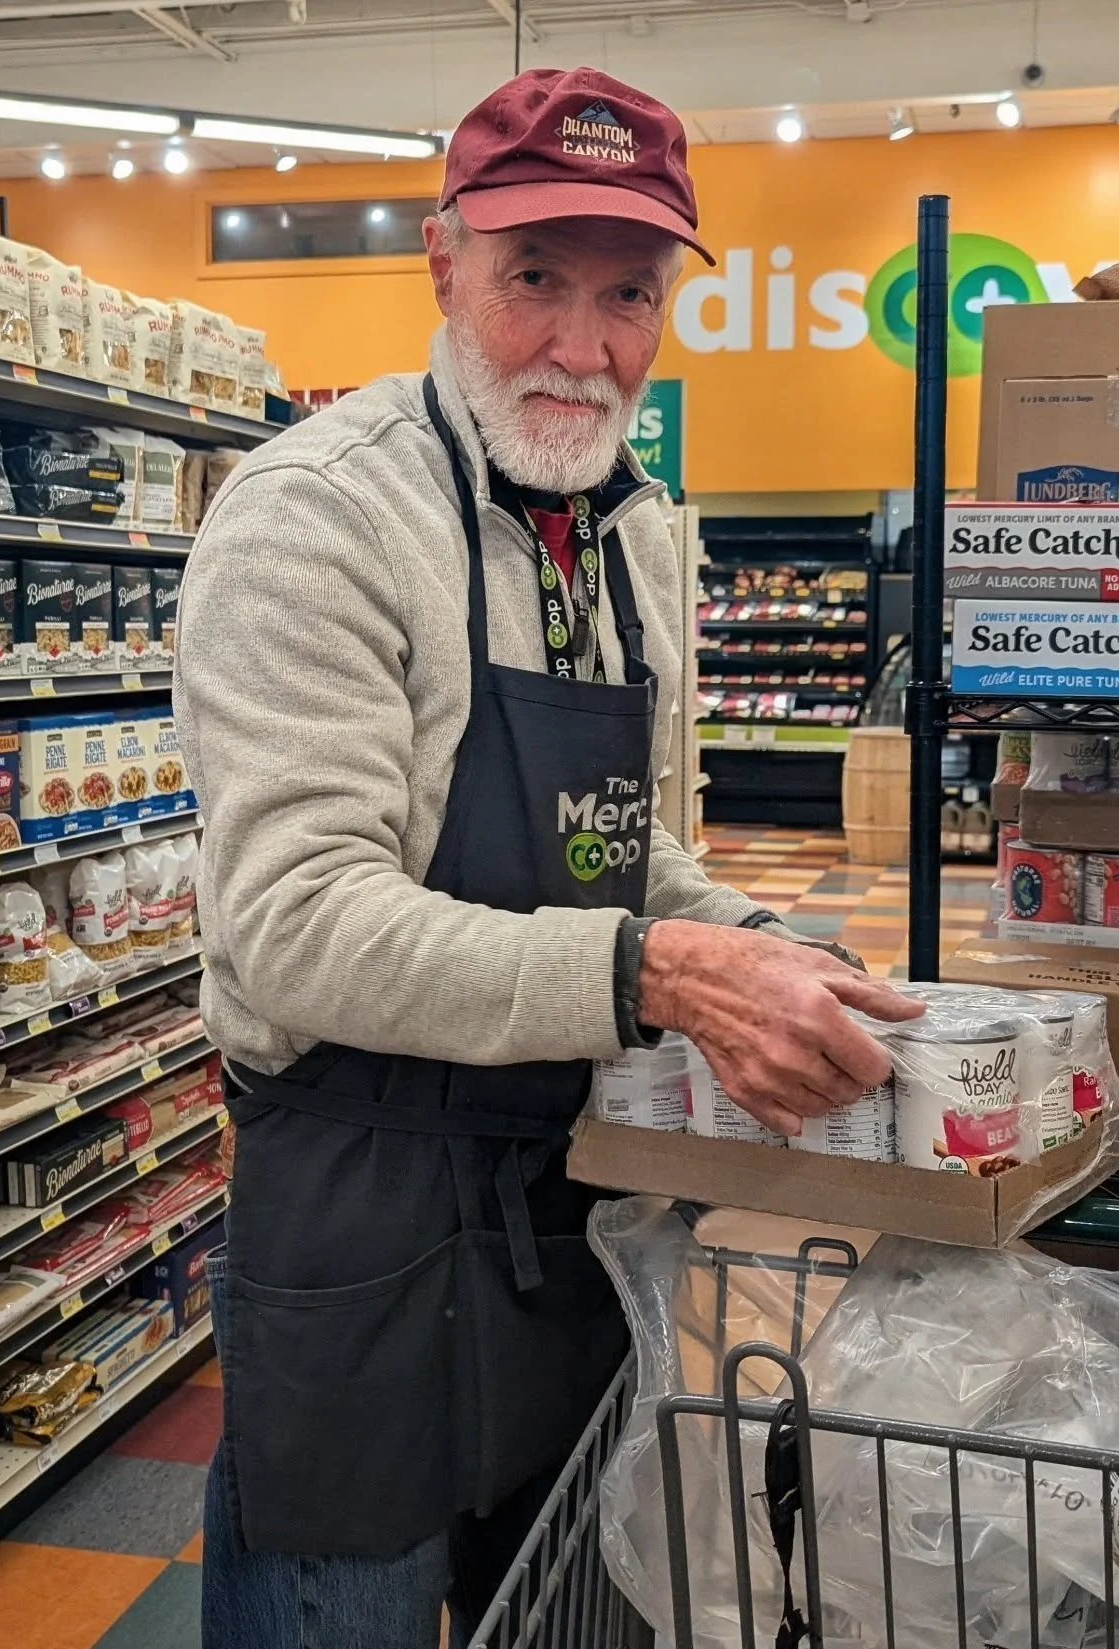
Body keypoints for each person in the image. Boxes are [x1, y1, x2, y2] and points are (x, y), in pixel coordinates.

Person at [175, 64, 923, 1649]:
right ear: (442, 265)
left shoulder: (640, 529)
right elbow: (300, 926)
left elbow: (626, 850)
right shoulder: (312, 520)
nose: (584, 346)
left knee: (566, 1605)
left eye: (629, 295)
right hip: (361, 1209)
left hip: (576, 1194)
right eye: (535, 281)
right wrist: (660, 972)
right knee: (337, 1612)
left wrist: (774, 945)